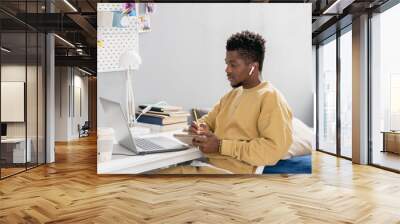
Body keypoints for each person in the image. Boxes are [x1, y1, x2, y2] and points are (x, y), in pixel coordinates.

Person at [158, 30, 293, 174]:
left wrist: (221, 146)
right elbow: (208, 121)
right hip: (204, 167)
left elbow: (272, 150)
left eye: (233, 65)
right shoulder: (232, 95)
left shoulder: (270, 97)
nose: (227, 70)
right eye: (227, 63)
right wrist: (198, 128)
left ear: (253, 67)